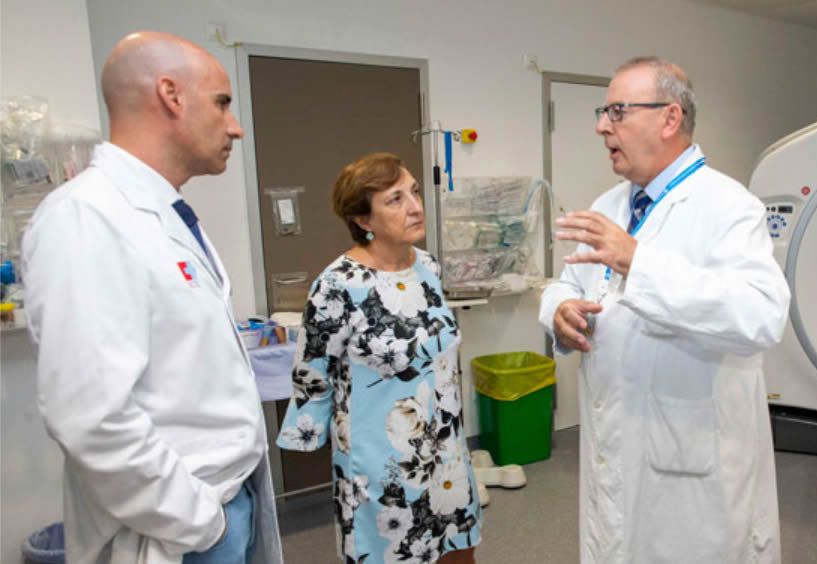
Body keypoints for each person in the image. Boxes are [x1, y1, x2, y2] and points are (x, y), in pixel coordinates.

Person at [21, 31, 282, 563]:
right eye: (222, 103)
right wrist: (200, 523)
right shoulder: (85, 217)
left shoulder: (163, 213)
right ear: (170, 95)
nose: (235, 126)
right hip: (179, 527)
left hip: (223, 501)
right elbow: (91, 416)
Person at [539, 56, 791, 562]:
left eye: (617, 111)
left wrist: (639, 262)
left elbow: (762, 315)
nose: (601, 126)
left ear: (670, 118)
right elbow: (566, 281)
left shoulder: (727, 206)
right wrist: (559, 309)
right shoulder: (610, 204)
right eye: (602, 112)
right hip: (616, 437)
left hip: (691, 459)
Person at [276, 153, 481, 564]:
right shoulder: (338, 285)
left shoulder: (428, 267)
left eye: (414, 192)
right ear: (363, 220)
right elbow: (313, 372)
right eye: (395, 199)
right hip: (380, 465)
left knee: (457, 554)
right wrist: (309, 432)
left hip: (447, 456)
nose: (415, 206)